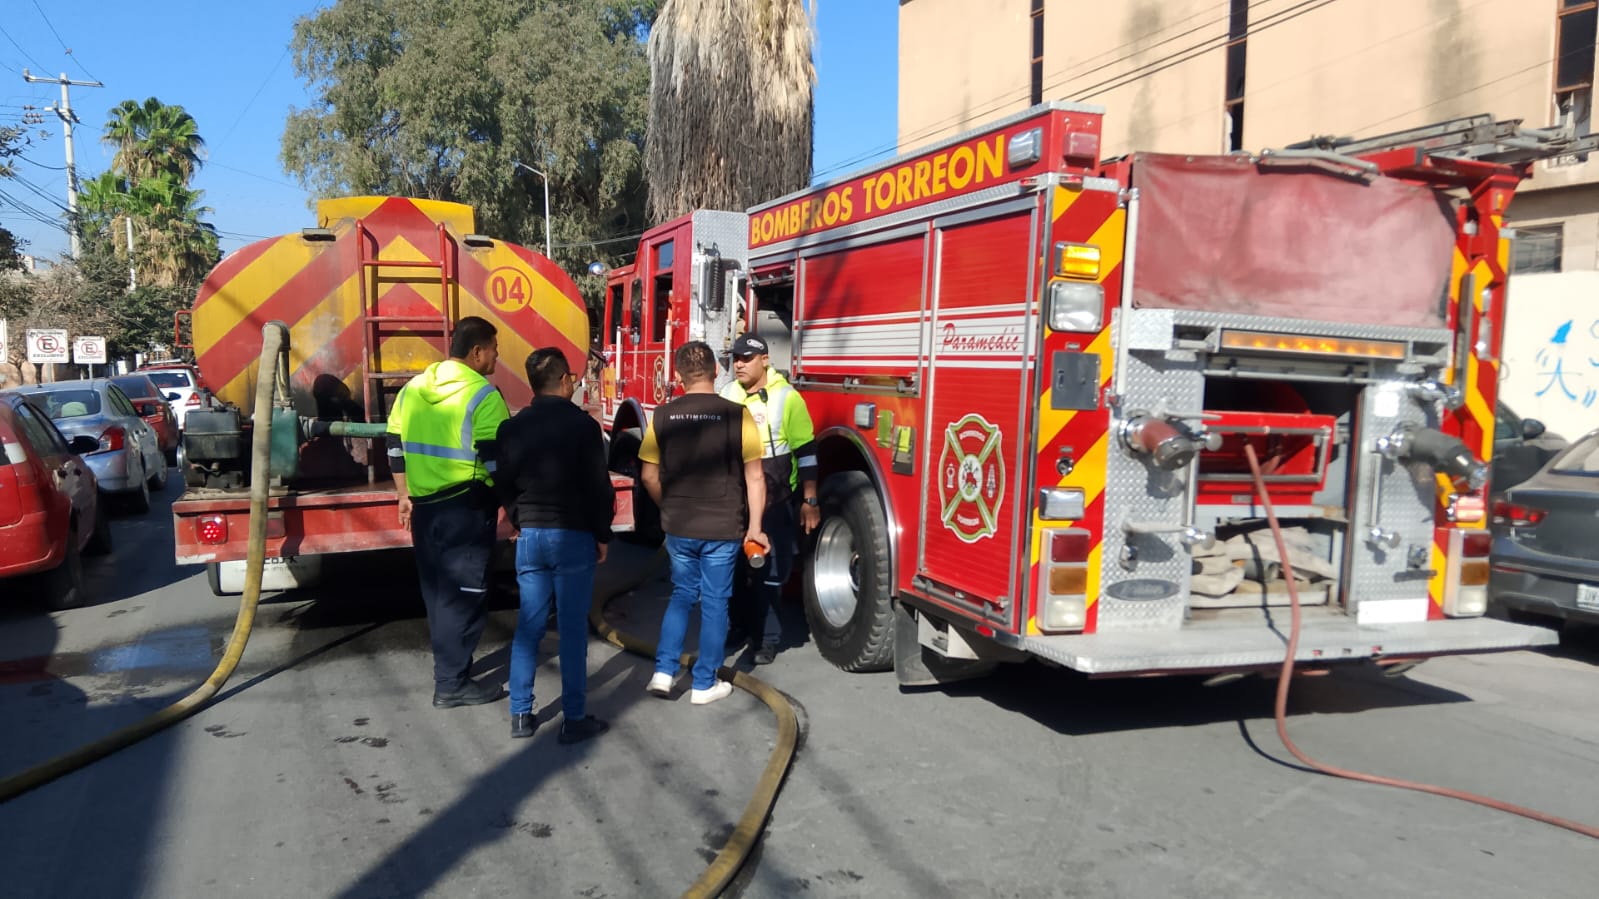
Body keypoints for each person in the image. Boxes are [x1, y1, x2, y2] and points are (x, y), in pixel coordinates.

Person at [385, 316, 509, 709]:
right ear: (476, 352)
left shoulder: (413, 388)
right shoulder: (484, 396)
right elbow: (494, 462)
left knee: (439, 596)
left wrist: (403, 495)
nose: (496, 355)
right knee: (467, 596)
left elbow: (393, 444)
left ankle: (451, 673)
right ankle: (451, 683)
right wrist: (516, 506)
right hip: (466, 511)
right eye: (493, 347)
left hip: (426, 511)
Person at [493, 348, 614, 743]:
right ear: (564, 380)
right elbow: (598, 488)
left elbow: (504, 482)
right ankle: (573, 719)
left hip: (531, 537)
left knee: (528, 626)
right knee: (573, 630)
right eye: (573, 378)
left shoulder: (512, 428)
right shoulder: (583, 427)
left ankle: (520, 715)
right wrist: (602, 535)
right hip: (573, 536)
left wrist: (518, 516)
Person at [638, 341, 767, 705]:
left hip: (679, 525)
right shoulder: (737, 415)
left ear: (678, 378)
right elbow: (755, 478)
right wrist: (755, 527)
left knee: (681, 595)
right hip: (723, 526)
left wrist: (671, 508)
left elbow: (648, 476)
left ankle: (663, 673)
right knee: (715, 603)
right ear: (716, 371)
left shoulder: (661, 416)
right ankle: (703, 683)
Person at [720, 333, 819, 665]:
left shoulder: (787, 398)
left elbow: (806, 453)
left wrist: (809, 500)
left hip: (775, 499)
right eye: (736, 358)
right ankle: (739, 626)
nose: (739, 364)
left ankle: (768, 638)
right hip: (735, 499)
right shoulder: (728, 394)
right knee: (733, 568)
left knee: (768, 572)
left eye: (746, 358)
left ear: (765, 359)